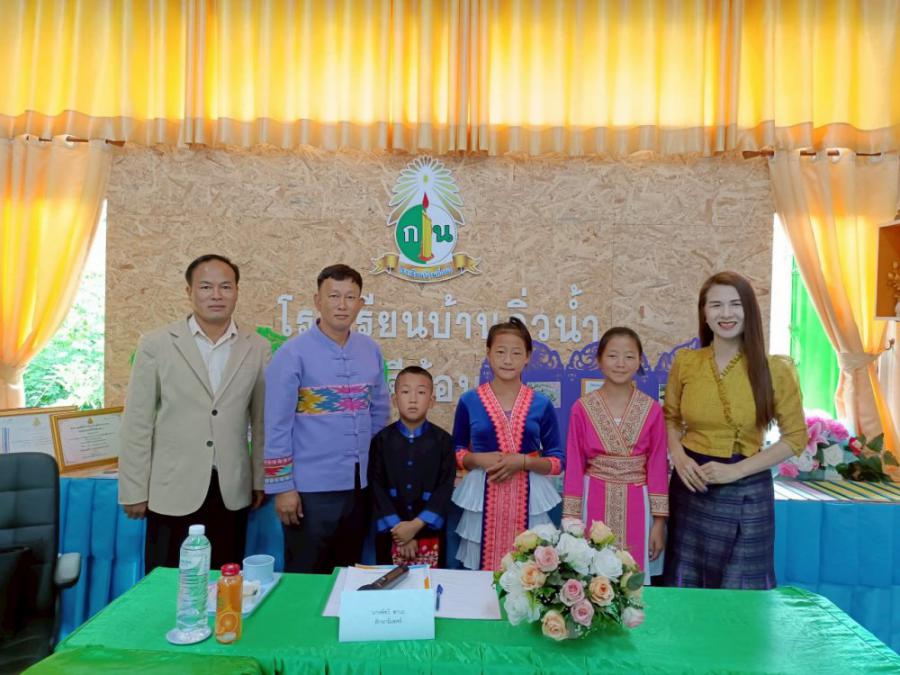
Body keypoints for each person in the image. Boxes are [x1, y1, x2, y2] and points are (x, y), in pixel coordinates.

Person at [118, 254, 268, 571]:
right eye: (206, 287)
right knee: (166, 583)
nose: (217, 295)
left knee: (225, 583)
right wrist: (133, 489)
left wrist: (259, 479)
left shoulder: (256, 347)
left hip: (230, 489)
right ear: (189, 292)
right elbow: (137, 422)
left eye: (225, 286)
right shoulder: (157, 344)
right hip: (172, 488)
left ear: (237, 291)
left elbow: (261, 422)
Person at [662, 271, 807, 589]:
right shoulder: (686, 362)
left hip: (747, 489)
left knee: (741, 591)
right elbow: (670, 418)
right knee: (687, 588)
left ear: (749, 310)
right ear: (704, 313)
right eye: (716, 305)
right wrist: (679, 458)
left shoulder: (775, 369)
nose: (725, 314)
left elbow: (796, 437)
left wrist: (736, 471)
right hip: (691, 485)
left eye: (735, 304)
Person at [264, 264, 390, 573]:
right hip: (308, 491)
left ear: (360, 303)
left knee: (347, 572)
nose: (342, 305)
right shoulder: (292, 354)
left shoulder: (370, 350)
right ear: (317, 301)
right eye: (333, 296)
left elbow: (379, 410)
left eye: (350, 297)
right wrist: (283, 487)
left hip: (357, 489)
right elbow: (276, 425)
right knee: (306, 576)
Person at [451, 317, 564, 571]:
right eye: (500, 352)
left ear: (528, 357)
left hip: (529, 496)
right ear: (488, 354)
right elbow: (456, 450)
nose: (508, 360)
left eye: (516, 353)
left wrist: (523, 462)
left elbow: (557, 461)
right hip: (482, 494)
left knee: (530, 573)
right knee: (481, 572)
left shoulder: (541, 403)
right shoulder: (470, 401)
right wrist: (477, 459)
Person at [563, 327, 668, 577]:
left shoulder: (652, 409)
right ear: (599, 360)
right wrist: (571, 521)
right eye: (612, 356)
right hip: (593, 496)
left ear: (639, 361)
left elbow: (657, 465)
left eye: (629, 356)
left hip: (638, 501)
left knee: (633, 580)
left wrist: (659, 523)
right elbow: (575, 464)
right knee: (591, 580)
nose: (621, 363)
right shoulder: (582, 408)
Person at [367, 366, 455, 567]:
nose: (413, 399)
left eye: (421, 392)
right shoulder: (381, 441)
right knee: (388, 582)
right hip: (390, 533)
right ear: (394, 399)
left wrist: (415, 526)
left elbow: (444, 489)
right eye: (406, 392)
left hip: (430, 532)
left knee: (429, 583)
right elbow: (376, 488)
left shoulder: (443, 441)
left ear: (431, 401)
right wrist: (400, 532)